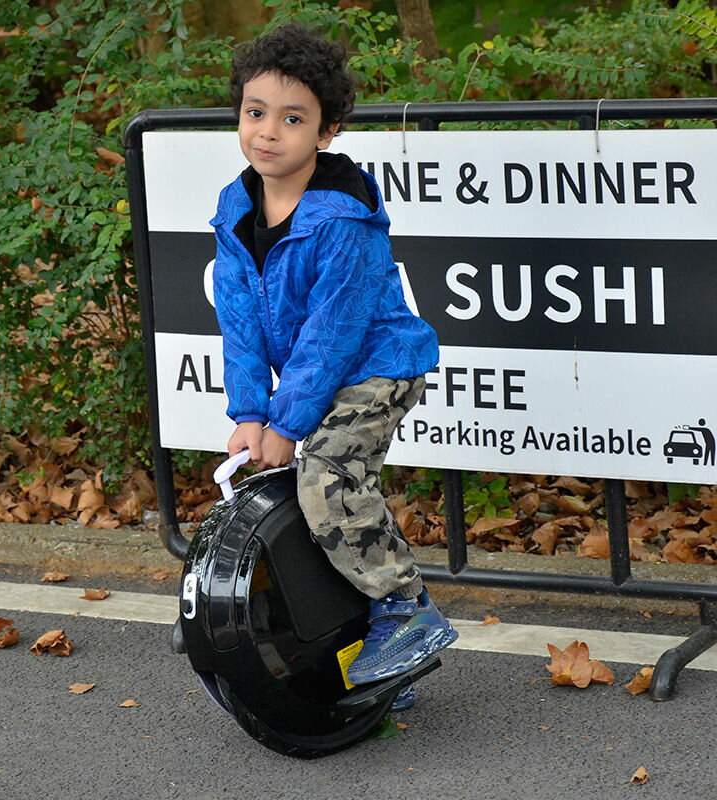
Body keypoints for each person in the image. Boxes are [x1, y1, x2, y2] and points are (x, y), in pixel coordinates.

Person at [210, 21, 457, 710]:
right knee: (322, 503)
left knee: (326, 480)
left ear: (326, 132)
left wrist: (288, 423)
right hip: (323, 373)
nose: (268, 132)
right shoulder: (236, 210)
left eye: (292, 119)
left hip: (377, 363)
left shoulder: (342, 219)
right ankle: (388, 660)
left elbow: (331, 335)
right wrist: (251, 413)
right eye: (255, 113)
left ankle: (407, 613)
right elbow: (240, 324)